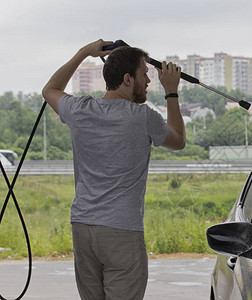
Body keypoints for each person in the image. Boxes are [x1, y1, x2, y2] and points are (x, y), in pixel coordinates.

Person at [42, 39, 185, 300]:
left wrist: (84, 52)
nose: (149, 82)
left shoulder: (79, 109)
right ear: (128, 79)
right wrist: (171, 92)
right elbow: (178, 140)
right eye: (145, 75)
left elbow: (50, 89)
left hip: (83, 227)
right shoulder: (143, 117)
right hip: (121, 231)